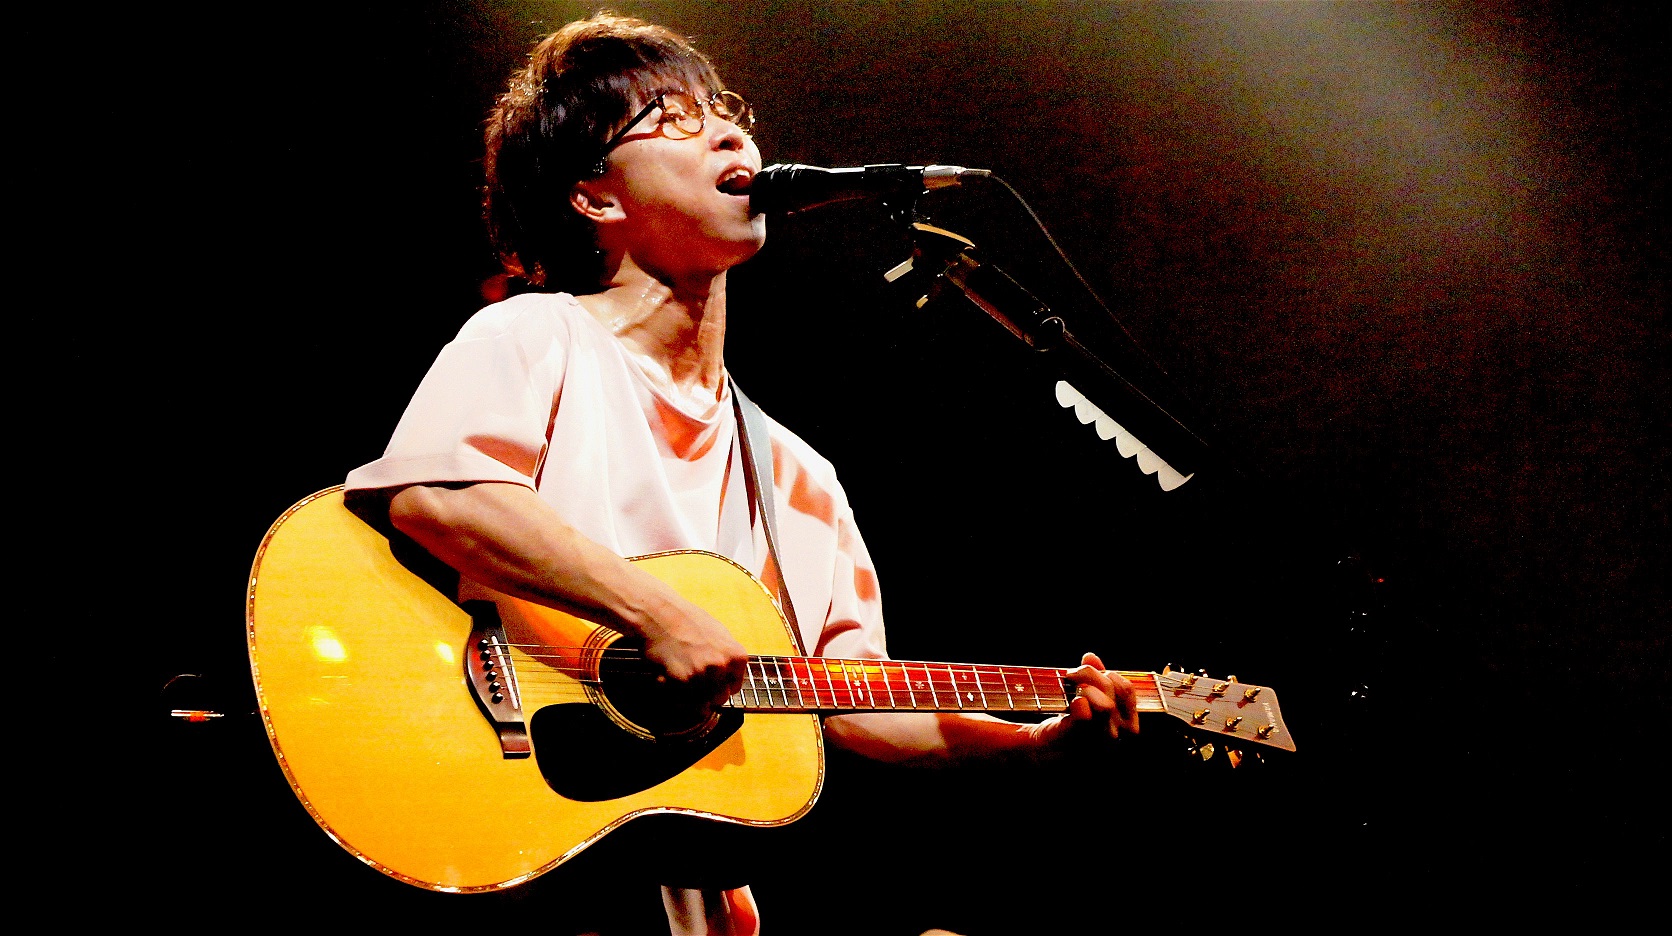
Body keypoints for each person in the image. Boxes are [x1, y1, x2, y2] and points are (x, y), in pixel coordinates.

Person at [343, 13, 1137, 935]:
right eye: (673, 119)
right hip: (517, 836)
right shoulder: (535, 335)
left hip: (676, 887)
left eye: (724, 110)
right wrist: (656, 614)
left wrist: (1034, 746)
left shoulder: (796, 474)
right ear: (595, 198)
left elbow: (853, 699)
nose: (727, 132)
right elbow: (439, 493)